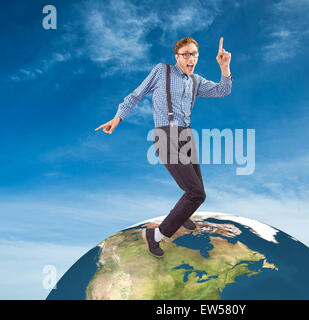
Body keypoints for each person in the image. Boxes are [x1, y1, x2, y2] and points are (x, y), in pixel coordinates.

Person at [95, 36, 233, 257]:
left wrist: (224, 67)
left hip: (186, 136)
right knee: (196, 194)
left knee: (196, 189)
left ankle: (181, 214)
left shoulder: (196, 80)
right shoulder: (162, 71)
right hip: (166, 135)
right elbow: (136, 95)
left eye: (195, 55)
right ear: (177, 57)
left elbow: (222, 90)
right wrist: (117, 118)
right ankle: (156, 235)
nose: (191, 59)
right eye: (186, 54)